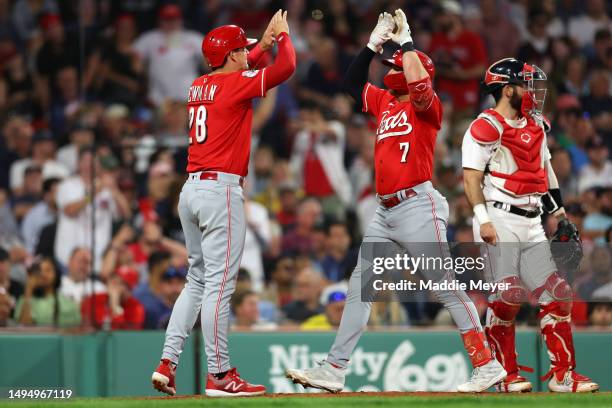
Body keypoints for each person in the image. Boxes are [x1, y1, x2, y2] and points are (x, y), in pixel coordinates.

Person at [285, 10, 504, 394]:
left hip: (418, 206)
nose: (393, 69)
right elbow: (352, 84)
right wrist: (372, 45)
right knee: (360, 286)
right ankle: (335, 368)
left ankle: (486, 365)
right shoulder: (387, 101)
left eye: (398, 64)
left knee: (445, 285)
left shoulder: (428, 105)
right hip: (385, 211)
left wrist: (407, 44)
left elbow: (421, 85)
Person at [151, 10, 296, 398]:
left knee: (197, 280)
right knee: (218, 284)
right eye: (242, 50)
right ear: (232, 56)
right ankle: (219, 375)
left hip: (191, 190)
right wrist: (282, 38)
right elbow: (286, 68)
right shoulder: (234, 85)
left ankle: (167, 362)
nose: (246, 53)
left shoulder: (199, 84)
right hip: (220, 192)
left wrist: (260, 44)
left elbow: (247, 65)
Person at [461, 57, 599, 393]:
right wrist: (483, 221)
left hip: (532, 218)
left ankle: (562, 376)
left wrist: (561, 215)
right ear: (507, 90)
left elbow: (545, 174)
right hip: (499, 216)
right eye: (526, 84)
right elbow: (470, 178)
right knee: (508, 295)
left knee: (557, 295)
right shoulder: (485, 126)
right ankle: (505, 374)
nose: (534, 92)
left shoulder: (537, 124)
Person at [15, 257, 81, 328]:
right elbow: (24, 328)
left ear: (56, 274)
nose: (43, 274)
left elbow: (75, 329)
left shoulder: (68, 303)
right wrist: (28, 290)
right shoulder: (24, 300)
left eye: (48, 270)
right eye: (39, 270)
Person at [81, 266, 145, 330]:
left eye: (121, 283)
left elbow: (126, 335)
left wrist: (115, 307)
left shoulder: (136, 307)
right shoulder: (93, 299)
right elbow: (90, 326)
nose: (114, 285)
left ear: (130, 290)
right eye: (113, 279)